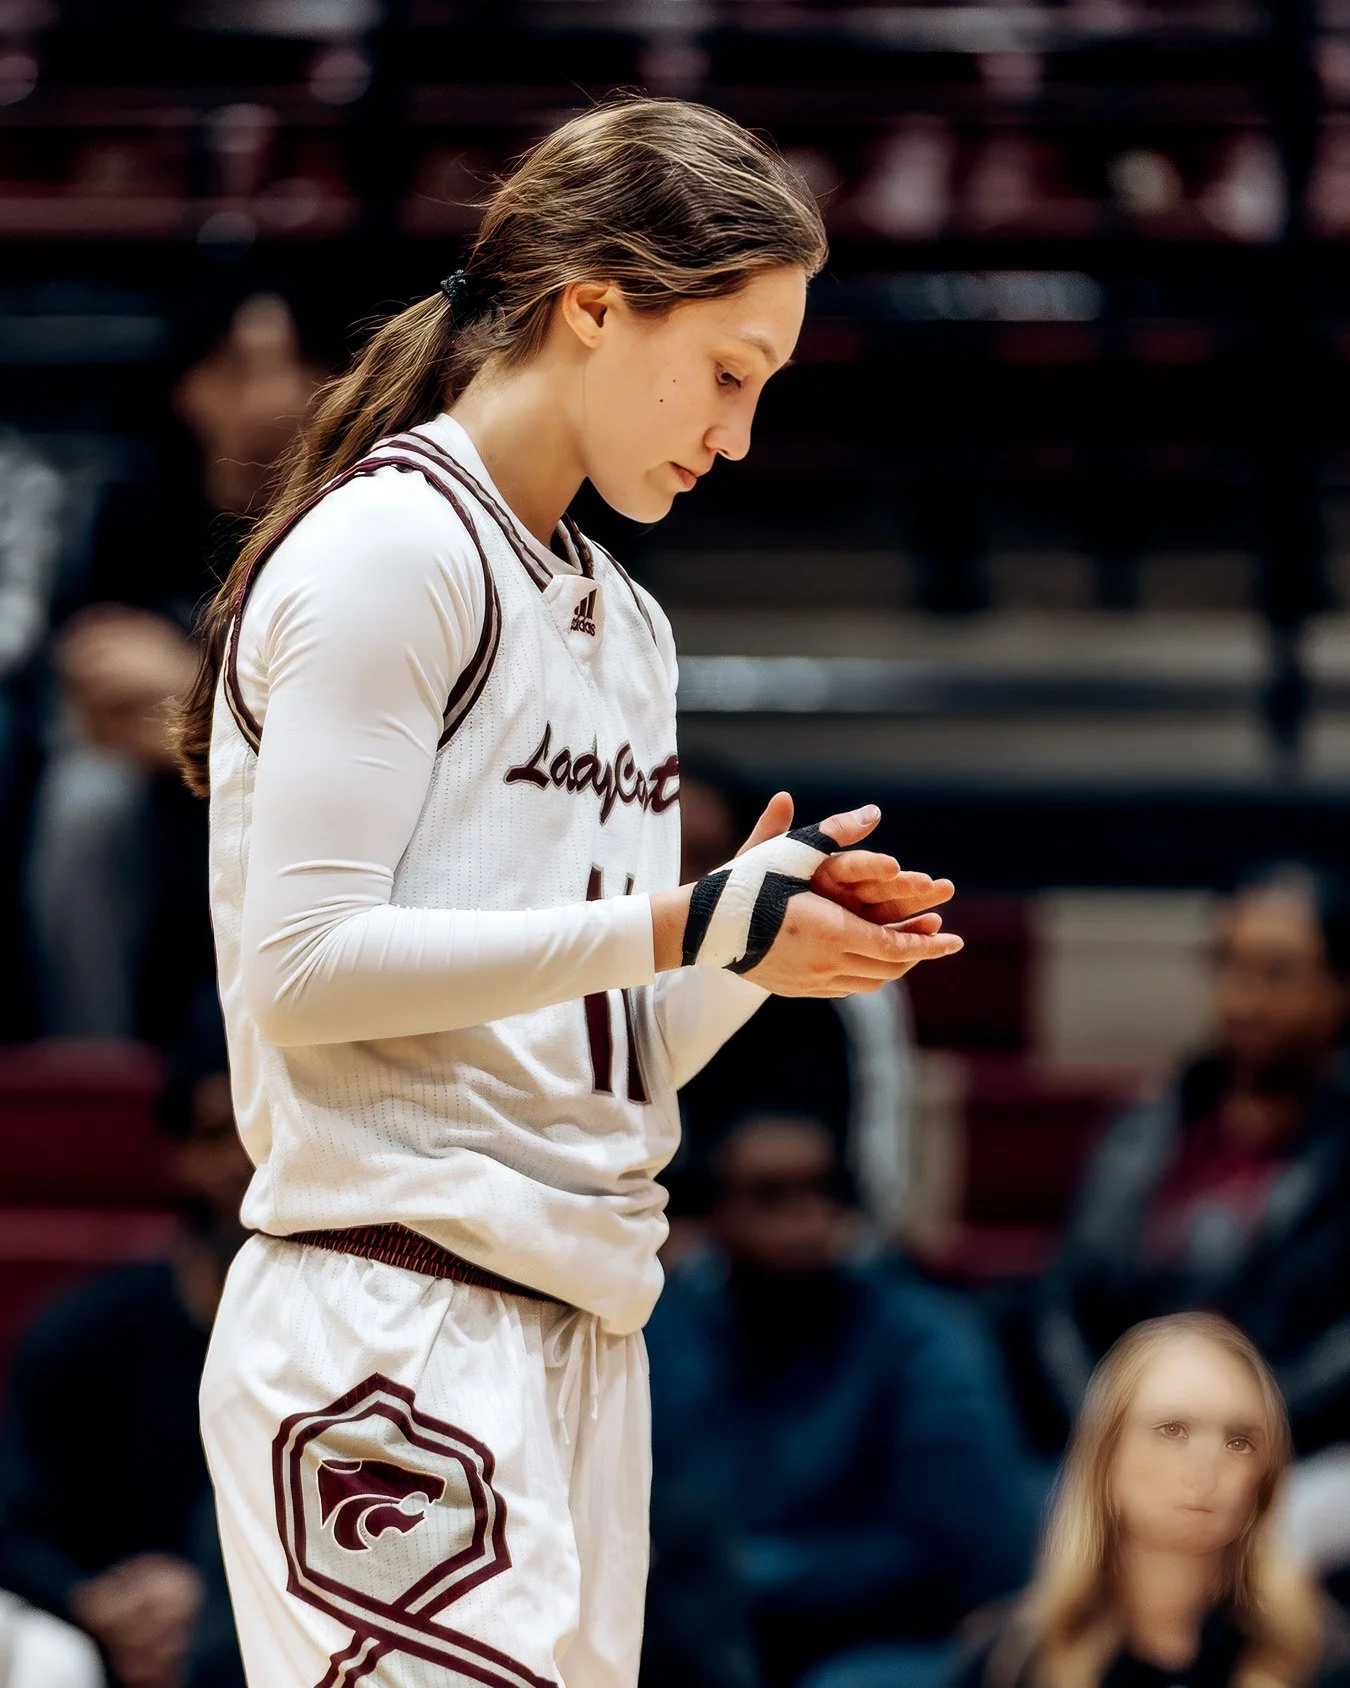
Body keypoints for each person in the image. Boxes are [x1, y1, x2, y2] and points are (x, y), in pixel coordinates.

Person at [171, 97, 964, 1688]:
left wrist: (752, 954)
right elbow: (304, 969)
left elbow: (591, 1048)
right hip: (390, 1321)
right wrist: (681, 917)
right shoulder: (394, 548)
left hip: (581, 1337)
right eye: (727, 374)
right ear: (594, 305)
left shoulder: (627, 627)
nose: (735, 436)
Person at [645, 1110, 1038, 1688]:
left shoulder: (926, 1339)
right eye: (768, 1196)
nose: (800, 1221)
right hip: (713, 1634)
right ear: (715, 1216)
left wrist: (746, 1573)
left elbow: (967, 1555)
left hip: (882, 1638)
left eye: (819, 1191)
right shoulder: (672, 1335)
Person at [24, 293, 319, 1041]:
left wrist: (178, 677)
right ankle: (96, 1068)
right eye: (237, 368)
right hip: (173, 777)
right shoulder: (135, 508)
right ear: (189, 387)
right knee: (85, 804)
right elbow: (99, 698)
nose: (269, 395)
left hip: (304, 783)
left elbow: (334, 725)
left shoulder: (350, 513)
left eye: (288, 366)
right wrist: (238, 726)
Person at [1020, 862, 1350, 1457]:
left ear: (1338, 987)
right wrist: (1110, 1426)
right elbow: (1062, 1305)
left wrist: (1241, 1437)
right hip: (1131, 1437)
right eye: (1229, 965)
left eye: (1278, 973)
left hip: (1299, 1450)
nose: (1245, 999)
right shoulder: (1142, 1130)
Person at [0, 988, 252, 1688]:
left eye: (258, 1131)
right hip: (110, 1640)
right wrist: (96, 1603)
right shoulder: (87, 1334)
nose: (240, 1161)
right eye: (213, 1134)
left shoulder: (355, 1336)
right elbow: (14, 1521)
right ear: (177, 1155)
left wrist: (212, 1605)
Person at [954, 1312, 1323, 1688]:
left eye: (1239, 1442)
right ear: (1105, 1456)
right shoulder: (1008, 1664)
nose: (1208, 1467)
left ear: (1266, 1478)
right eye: (1173, 1430)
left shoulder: (1320, 1661)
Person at [673, 764, 919, 1246]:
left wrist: (842, 1232)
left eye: (702, 857)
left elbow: (879, 1167)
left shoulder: (840, 982)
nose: (684, 882)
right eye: (667, 857)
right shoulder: (606, 973)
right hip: (670, 1252)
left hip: (829, 1248)